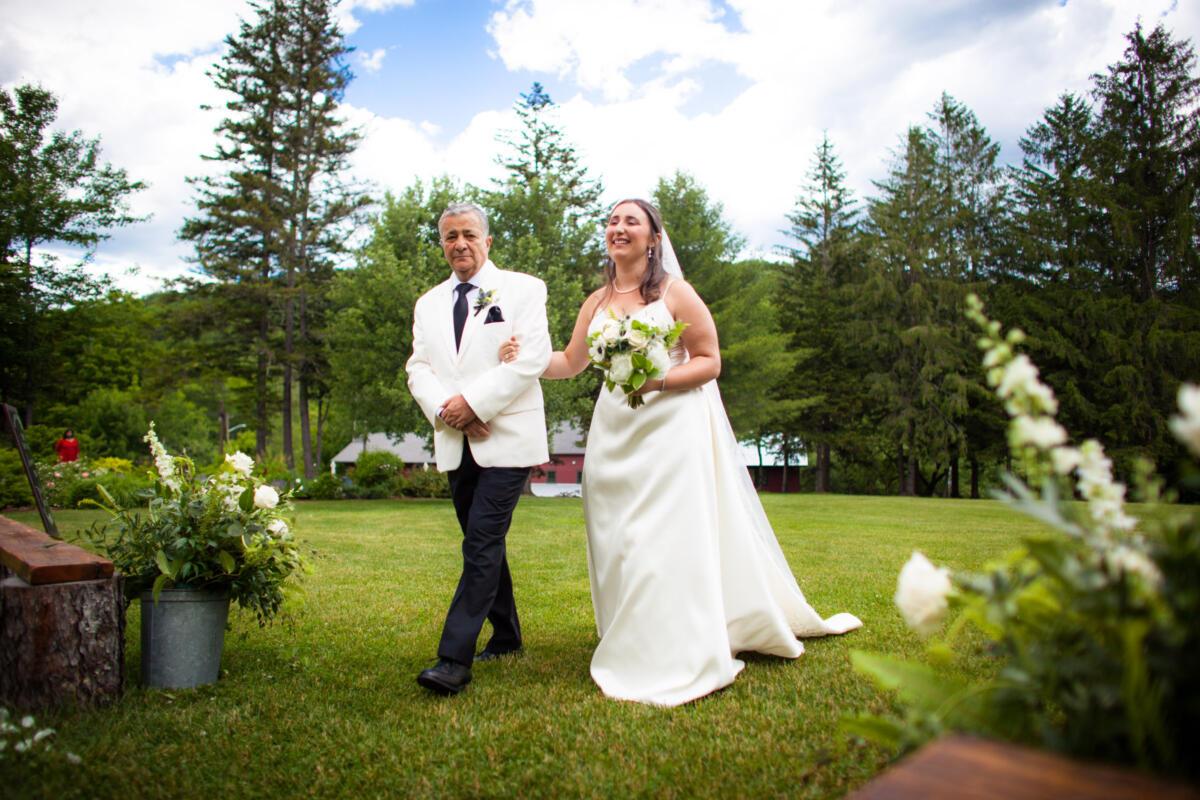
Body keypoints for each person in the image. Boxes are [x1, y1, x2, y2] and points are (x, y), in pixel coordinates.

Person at [501, 199, 861, 706]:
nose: (618, 228)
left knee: (662, 537)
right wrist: (531, 359)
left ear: (653, 239)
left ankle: (674, 644)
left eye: (631, 221)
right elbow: (571, 361)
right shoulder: (596, 301)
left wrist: (658, 380)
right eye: (612, 221)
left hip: (670, 430)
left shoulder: (676, 293)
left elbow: (710, 361)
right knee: (618, 537)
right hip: (613, 431)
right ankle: (631, 628)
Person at [406, 202, 552, 696]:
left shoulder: (525, 289)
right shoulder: (427, 303)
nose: (459, 244)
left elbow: (530, 357)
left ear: (487, 241)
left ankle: (453, 659)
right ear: (442, 243)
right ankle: (507, 636)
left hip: (507, 438)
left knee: (481, 540)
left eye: (469, 234)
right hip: (455, 440)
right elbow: (418, 367)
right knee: (480, 539)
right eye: (450, 236)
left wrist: (476, 404)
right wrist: (449, 411)